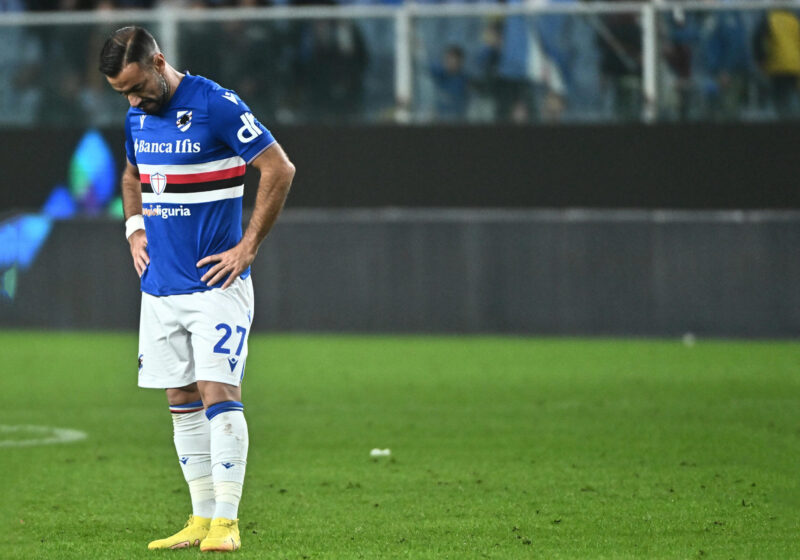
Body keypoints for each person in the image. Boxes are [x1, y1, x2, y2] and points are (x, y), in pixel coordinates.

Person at [98, 26, 295, 552]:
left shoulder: (216, 105)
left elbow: (278, 168)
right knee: (181, 397)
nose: (133, 100)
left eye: (137, 87)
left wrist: (248, 246)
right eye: (122, 94)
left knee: (217, 392)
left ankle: (227, 523)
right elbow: (132, 176)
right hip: (160, 286)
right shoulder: (136, 116)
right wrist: (133, 229)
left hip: (215, 284)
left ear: (159, 62)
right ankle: (201, 517)